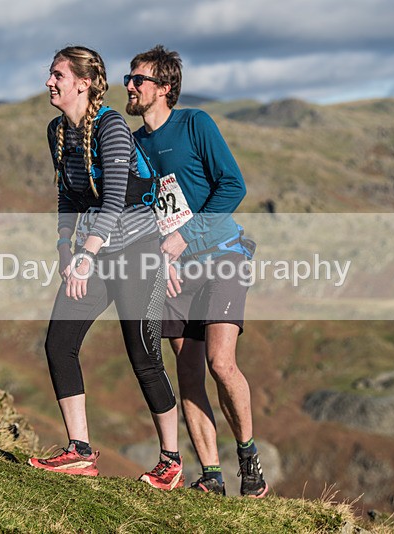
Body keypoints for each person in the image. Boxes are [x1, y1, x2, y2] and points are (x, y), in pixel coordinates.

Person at [27, 46, 183, 490]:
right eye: (49, 73)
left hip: (136, 249)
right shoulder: (58, 130)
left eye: (57, 74)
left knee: (143, 355)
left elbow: (114, 200)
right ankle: (78, 452)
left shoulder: (112, 126)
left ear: (83, 82)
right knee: (59, 342)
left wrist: (86, 254)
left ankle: (171, 461)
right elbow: (68, 197)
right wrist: (65, 249)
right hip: (93, 253)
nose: (48, 82)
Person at [125, 45, 269, 497]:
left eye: (139, 80)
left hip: (223, 254)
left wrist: (185, 237)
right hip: (174, 270)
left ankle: (249, 458)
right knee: (187, 374)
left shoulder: (195, 124)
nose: (129, 85)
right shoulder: (133, 143)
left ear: (165, 89)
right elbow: (140, 211)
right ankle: (212, 477)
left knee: (220, 363)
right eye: (129, 78)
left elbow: (233, 185)